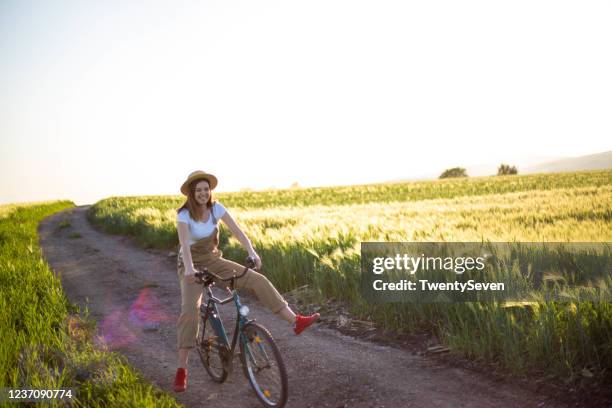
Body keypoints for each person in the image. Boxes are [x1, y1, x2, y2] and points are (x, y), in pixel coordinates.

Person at [173, 170, 320, 392]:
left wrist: (252, 251)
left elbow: (238, 232)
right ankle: (182, 370)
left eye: (206, 189)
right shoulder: (184, 215)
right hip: (190, 265)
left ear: (210, 191)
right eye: (198, 190)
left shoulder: (217, 209)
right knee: (189, 312)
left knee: (257, 280)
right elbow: (184, 245)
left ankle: (295, 321)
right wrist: (191, 269)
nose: (203, 193)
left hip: (214, 260)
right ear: (192, 193)